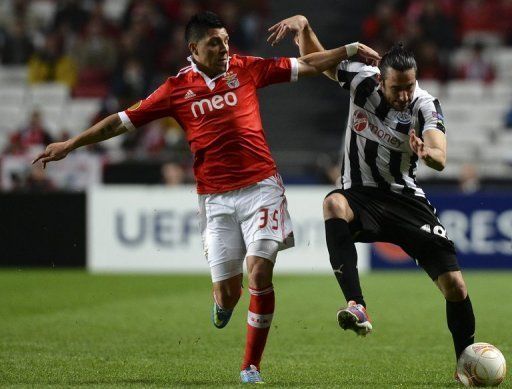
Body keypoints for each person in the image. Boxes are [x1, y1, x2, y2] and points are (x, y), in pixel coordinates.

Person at [33, 11, 380, 384]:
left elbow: (307, 65)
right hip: (215, 201)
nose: (224, 48)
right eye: (215, 42)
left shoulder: (246, 68)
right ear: (194, 48)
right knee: (229, 294)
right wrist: (72, 144)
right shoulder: (175, 89)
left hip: (262, 188)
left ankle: (251, 367)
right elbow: (121, 120)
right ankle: (223, 303)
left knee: (259, 269)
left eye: (227, 40)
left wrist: (348, 50)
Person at [268, 15, 476, 377]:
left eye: (409, 86)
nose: (404, 95)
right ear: (382, 78)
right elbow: (316, 63)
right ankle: (357, 305)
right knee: (333, 203)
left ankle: (465, 362)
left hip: (405, 199)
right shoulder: (362, 81)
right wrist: (305, 28)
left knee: (455, 287)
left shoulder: (425, 105)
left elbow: (440, 156)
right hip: (360, 195)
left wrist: (426, 152)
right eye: (397, 88)